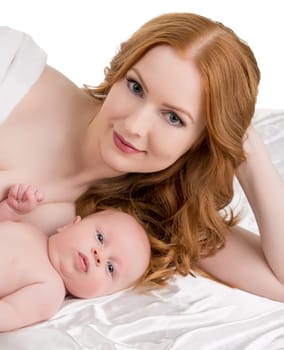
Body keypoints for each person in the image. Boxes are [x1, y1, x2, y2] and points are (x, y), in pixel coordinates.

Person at [0, 12, 283, 303]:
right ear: (120, 71)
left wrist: (243, 146)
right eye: (136, 87)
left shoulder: (139, 220)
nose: (134, 126)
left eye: (173, 118)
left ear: (201, 141)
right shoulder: (10, 69)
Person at [0, 184, 152, 332]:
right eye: (100, 238)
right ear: (71, 225)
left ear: (103, 295)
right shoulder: (32, 230)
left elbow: (12, 313)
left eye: (110, 268)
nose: (99, 255)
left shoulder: (51, 291)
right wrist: (11, 209)